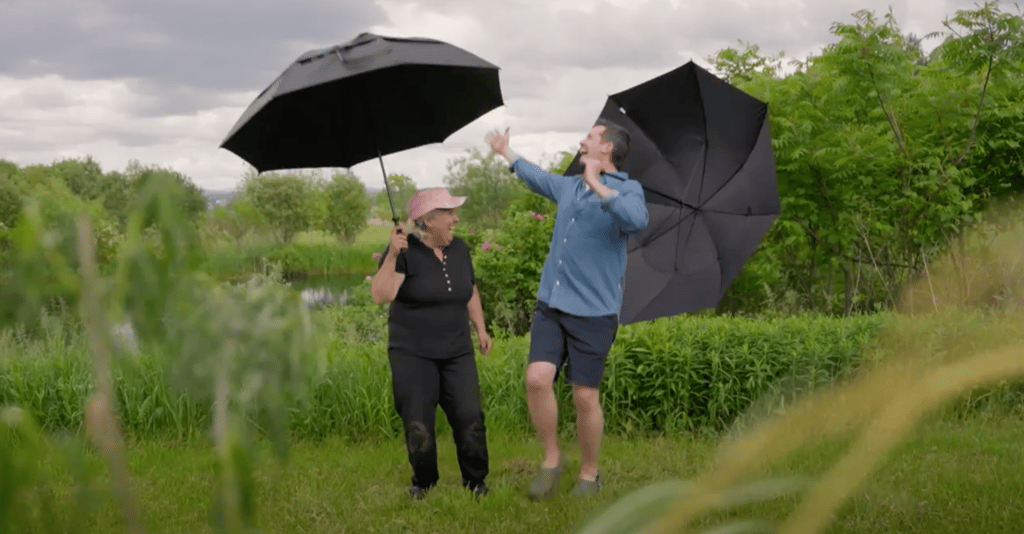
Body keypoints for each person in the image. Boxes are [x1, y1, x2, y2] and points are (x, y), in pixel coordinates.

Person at [485, 120, 648, 499]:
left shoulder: (628, 190)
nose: (582, 141)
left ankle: (590, 474)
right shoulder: (569, 185)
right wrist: (505, 152)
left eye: (589, 137)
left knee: (584, 397)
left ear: (606, 148)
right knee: (537, 379)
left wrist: (597, 183)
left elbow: (636, 221)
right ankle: (551, 460)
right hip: (552, 306)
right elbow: (537, 177)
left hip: (594, 313)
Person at [371, 187, 494, 500]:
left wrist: (480, 328)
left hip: (457, 351)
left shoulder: (460, 249)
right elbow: (381, 296)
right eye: (449, 212)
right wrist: (393, 255)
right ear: (427, 219)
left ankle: (475, 483)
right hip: (412, 354)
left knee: (470, 419)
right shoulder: (405, 252)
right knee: (418, 424)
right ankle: (423, 483)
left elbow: (470, 291)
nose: (456, 218)